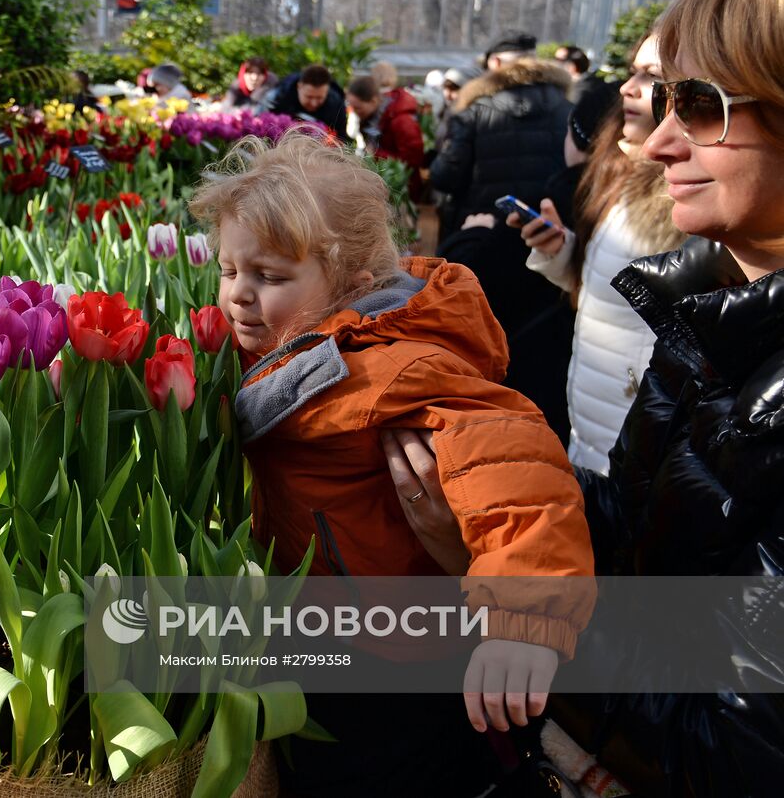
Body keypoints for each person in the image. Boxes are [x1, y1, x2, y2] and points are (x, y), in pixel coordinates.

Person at [385, 0, 784, 797]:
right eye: (663, 99)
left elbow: (737, 750)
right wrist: (506, 508)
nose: (658, 141)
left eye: (703, 105)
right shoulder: (715, 308)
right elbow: (645, 529)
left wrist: (511, 595)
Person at [189, 129, 594, 798]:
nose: (238, 294)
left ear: (351, 281)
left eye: (270, 276)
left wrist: (523, 621)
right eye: (231, 270)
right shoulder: (287, 346)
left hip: (399, 648)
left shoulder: (396, 370)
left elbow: (518, 469)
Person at [507, 33, 683, 475]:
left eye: (652, 76)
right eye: (633, 71)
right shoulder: (627, 177)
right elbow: (613, 289)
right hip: (597, 418)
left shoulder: (689, 197)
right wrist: (562, 252)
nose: (627, 87)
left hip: (637, 431)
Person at [430, 32, 573, 240]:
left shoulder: (473, 112)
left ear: (495, 62)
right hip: (544, 237)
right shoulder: (568, 111)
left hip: (480, 233)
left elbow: (445, 177)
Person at [345, 73, 426, 197]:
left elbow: (413, 160)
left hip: (401, 190)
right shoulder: (374, 117)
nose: (355, 112)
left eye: (358, 108)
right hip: (382, 184)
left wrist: (375, 154)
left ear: (373, 101)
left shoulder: (402, 120)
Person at [556, 45, 618, 166]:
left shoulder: (579, 92)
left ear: (572, 67)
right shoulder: (594, 84)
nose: (554, 64)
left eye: (558, 60)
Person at [263, 63, 352, 143]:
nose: (314, 103)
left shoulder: (336, 105)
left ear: (327, 91)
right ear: (299, 87)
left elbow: (341, 139)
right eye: (309, 97)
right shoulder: (279, 96)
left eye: (319, 98)